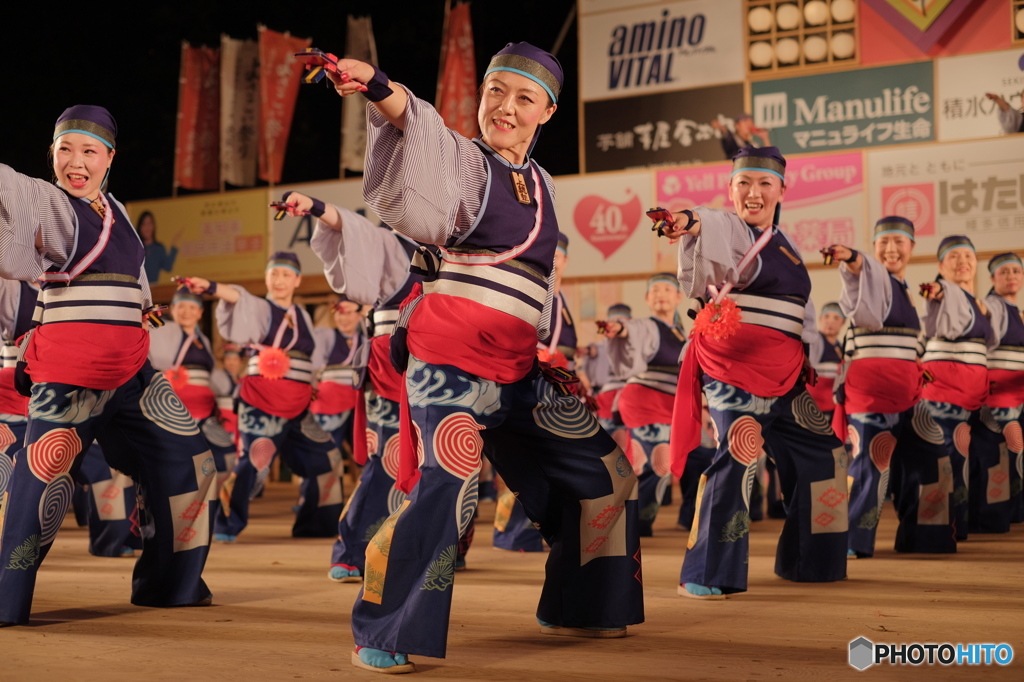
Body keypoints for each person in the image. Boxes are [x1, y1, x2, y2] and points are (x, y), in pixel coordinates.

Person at [324, 41, 644, 673]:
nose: (505, 107)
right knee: (451, 480)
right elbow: (427, 140)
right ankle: (383, 628)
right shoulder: (468, 163)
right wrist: (378, 87)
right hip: (450, 366)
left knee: (607, 473)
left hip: (519, 373)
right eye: (495, 92)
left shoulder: (546, 185)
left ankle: (580, 603)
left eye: (524, 98)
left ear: (547, 112)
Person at [0, 105, 214, 626]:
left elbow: (135, 279)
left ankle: (169, 584)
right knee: (43, 480)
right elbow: (10, 187)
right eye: (64, 150)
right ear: (51, 156)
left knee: (189, 461)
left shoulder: (117, 210)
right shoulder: (53, 205)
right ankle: (5, 600)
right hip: (72, 372)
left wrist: (143, 311)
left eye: (88, 151)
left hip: (132, 372)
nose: (76, 162)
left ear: (109, 157)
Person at [659, 146, 848, 600]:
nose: (753, 192)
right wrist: (689, 219)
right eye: (743, 183)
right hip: (734, 367)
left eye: (765, 183)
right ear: (730, 191)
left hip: (785, 375)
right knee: (740, 456)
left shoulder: (786, 244)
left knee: (825, 456)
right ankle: (706, 570)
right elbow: (713, 223)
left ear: (782, 190)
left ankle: (812, 560)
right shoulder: (732, 230)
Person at [184, 253, 345, 541]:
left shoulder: (302, 316)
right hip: (262, 400)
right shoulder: (259, 307)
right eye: (274, 274)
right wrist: (210, 286)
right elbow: (235, 295)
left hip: (297, 404)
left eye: (286, 275)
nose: (279, 280)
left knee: (326, 457)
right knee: (255, 460)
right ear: (267, 277)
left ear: (297, 280)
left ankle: (317, 523)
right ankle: (227, 523)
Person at [826, 217, 953, 557]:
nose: (891, 249)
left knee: (933, 452)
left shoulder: (905, 289)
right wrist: (852, 256)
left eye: (899, 242)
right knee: (872, 461)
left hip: (909, 389)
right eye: (883, 243)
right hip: (873, 388)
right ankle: (851, 541)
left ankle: (923, 536)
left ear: (912, 247)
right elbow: (859, 268)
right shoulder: (874, 278)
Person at [920, 236, 997, 541]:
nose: (963, 261)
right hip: (945, 382)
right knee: (949, 453)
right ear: (941, 265)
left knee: (975, 453)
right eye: (954, 256)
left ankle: (970, 521)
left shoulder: (979, 303)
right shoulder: (944, 290)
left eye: (968, 256)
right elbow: (934, 290)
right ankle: (941, 528)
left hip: (974, 386)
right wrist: (934, 288)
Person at [602, 273, 685, 536]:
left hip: (670, 405)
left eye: (667, 289)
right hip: (644, 401)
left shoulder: (681, 332)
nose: (661, 294)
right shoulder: (648, 325)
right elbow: (633, 330)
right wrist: (621, 329)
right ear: (647, 299)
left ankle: (637, 522)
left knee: (674, 462)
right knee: (655, 465)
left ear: (679, 297)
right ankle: (630, 524)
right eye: (655, 290)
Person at [149, 287, 238, 505]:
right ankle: (179, 507)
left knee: (226, 453)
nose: (186, 312)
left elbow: (211, 377)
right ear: (173, 309)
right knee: (176, 460)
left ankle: (211, 503)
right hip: (173, 411)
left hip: (204, 413)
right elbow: (147, 327)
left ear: (200, 312)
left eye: (192, 307)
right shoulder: (164, 330)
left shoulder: (203, 340)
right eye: (181, 307)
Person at [968, 253, 1024, 532]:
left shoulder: (1016, 311)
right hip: (995, 396)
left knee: (1013, 454)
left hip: (1017, 396)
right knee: (994, 457)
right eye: (1004, 272)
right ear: (992, 278)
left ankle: (1009, 513)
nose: (1011, 276)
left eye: (1017, 271)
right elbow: (981, 314)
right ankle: (987, 518)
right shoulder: (991, 306)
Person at [806, 302, 844, 420]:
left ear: (843, 322)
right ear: (820, 319)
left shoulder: (841, 346)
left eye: (836, 318)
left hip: (834, 403)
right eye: (826, 317)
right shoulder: (815, 340)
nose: (830, 322)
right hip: (816, 402)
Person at [136, 211, 183, 285]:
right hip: (138, 289)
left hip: (155, 289)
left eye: (149, 223)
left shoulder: (159, 248)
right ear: (139, 227)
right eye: (144, 224)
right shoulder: (136, 248)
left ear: (153, 226)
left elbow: (168, 267)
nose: (147, 227)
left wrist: (174, 246)